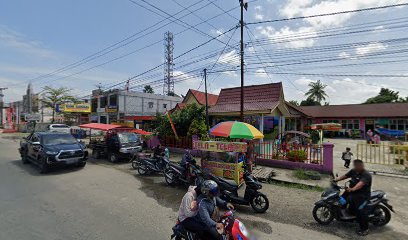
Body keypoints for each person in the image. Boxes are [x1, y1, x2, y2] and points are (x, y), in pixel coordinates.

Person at [334, 160, 372, 236]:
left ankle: (365, 229)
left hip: (362, 195)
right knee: (342, 199)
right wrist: (336, 180)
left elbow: (361, 184)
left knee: (360, 211)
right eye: (355, 166)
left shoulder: (366, 175)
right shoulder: (354, 171)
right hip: (352, 192)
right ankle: (344, 213)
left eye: (358, 166)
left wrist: (352, 189)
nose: (356, 167)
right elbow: (346, 176)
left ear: (361, 166)